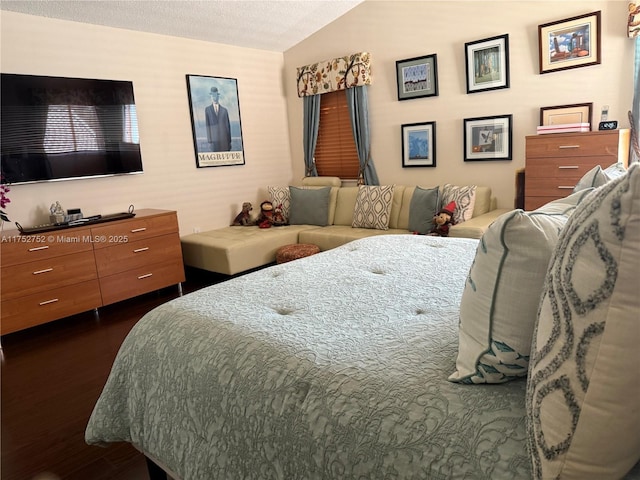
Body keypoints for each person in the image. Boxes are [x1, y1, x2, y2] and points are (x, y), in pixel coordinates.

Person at [205, 86, 232, 151]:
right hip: (214, 143)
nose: (214, 97)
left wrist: (229, 141)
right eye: (212, 95)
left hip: (224, 142)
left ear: (218, 96)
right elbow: (207, 126)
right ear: (210, 96)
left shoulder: (224, 110)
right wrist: (209, 141)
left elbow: (228, 127)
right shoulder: (207, 110)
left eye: (215, 95)